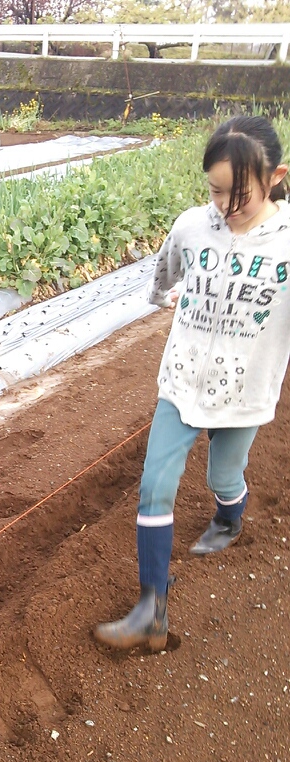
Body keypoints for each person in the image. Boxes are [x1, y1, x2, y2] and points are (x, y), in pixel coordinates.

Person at [95, 115, 290, 652]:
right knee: (155, 483)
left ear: (276, 177)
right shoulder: (191, 227)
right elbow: (162, 281)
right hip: (181, 380)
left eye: (239, 195)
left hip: (246, 389)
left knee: (223, 474)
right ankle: (151, 610)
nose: (224, 206)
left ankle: (229, 518)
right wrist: (177, 297)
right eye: (215, 191)